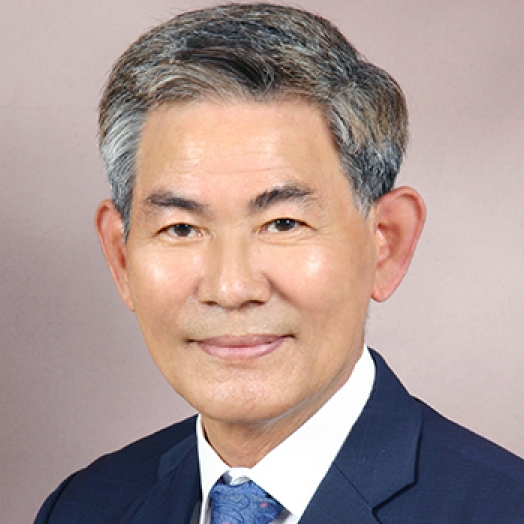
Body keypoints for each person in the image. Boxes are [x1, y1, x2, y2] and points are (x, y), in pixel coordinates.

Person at [35, 3, 524, 523]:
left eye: (284, 224)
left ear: (387, 243)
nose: (230, 287)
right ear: (121, 256)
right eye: (181, 228)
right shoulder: (84, 506)